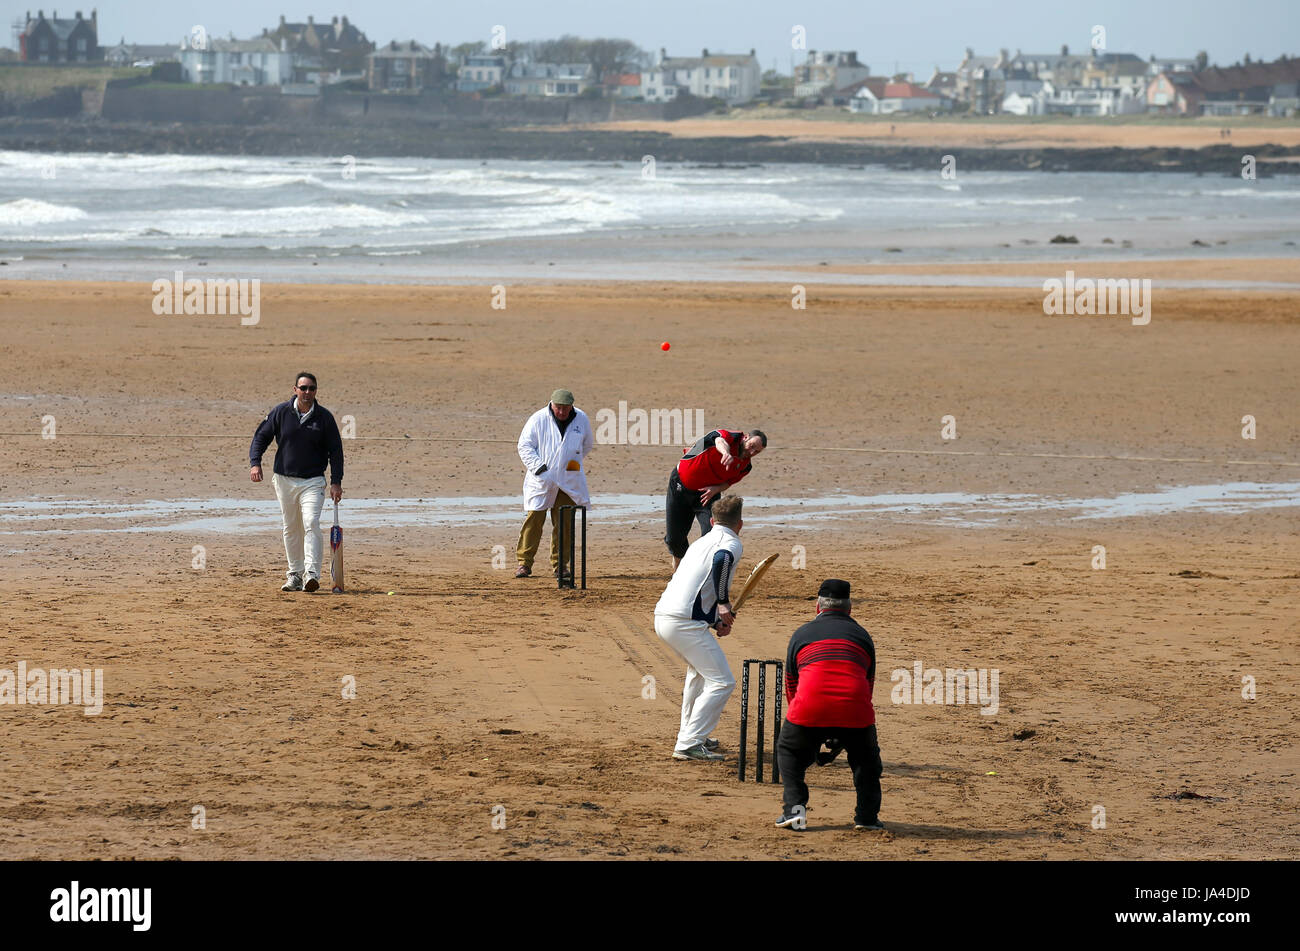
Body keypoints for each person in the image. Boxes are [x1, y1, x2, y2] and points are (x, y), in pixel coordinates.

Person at [774, 579, 884, 831]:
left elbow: (791, 684)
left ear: (817, 607)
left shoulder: (801, 634)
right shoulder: (861, 635)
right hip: (854, 707)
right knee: (866, 761)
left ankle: (795, 812)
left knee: (789, 751)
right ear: (849, 609)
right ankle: (866, 819)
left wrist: (807, 724)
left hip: (809, 706)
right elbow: (868, 684)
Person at [653, 494, 745, 761]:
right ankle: (689, 744)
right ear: (740, 524)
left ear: (713, 520)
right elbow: (722, 562)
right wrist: (725, 604)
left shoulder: (701, 541)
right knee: (722, 681)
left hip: (666, 617)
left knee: (700, 674)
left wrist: (715, 619)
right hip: (683, 624)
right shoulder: (731, 543)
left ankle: (692, 734)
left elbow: (698, 588)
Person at [249, 372, 344, 593]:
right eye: (303, 388)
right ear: (295, 390)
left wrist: (336, 482)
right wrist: (255, 463)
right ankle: (294, 575)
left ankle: (311, 574)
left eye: (311, 388)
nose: (307, 392)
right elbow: (261, 437)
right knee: (291, 528)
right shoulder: (281, 412)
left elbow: (336, 452)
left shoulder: (324, 418)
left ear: (316, 391)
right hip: (284, 480)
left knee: (310, 522)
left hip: (313, 481)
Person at [514, 388, 594, 578]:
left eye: (565, 408)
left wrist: (569, 464)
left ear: (571, 406)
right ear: (552, 404)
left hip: (568, 480)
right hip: (542, 479)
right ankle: (524, 563)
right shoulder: (538, 419)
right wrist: (539, 467)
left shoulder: (581, 418)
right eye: (558, 408)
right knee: (534, 519)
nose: (562, 412)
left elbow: (587, 444)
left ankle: (560, 565)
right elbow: (524, 445)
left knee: (565, 522)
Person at [664, 428, 765, 570]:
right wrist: (725, 453)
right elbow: (719, 441)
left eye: (757, 452)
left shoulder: (746, 466)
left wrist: (716, 489)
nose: (752, 452)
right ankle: (678, 565)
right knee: (674, 539)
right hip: (680, 485)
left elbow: (728, 482)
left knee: (712, 534)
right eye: (752, 446)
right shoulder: (728, 436)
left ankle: (698, 569)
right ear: (746, 437)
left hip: (707, 495)